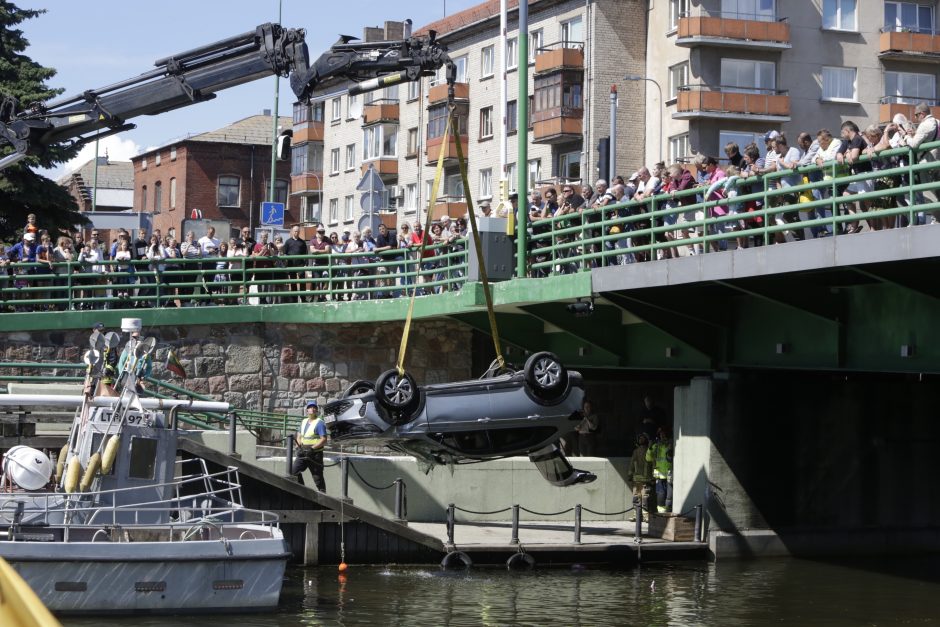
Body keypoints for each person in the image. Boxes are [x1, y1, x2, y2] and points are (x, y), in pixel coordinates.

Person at [292, 400, 327, 492]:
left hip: (315, 454)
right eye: (310, 407)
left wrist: (312, 448)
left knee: (318, 478)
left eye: (314, 407)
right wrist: (298, 446)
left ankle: (323, 497)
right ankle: (303, 491)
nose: (312, 409)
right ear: (307, 410)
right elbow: (299, 436)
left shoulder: (319, 422)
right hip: (303, 452)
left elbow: (323, 439)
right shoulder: (303, 421)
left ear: (316, 411)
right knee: (293, 472)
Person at [628, 432, 655, 521]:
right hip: (636, 479)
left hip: (646, 479)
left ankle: (646, 516)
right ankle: (636, 515)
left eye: (643, 438)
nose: (641, 440)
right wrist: (630, 475)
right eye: (640, 438)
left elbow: (653, 464)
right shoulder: (635, 451)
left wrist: (653, 477)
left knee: (645, 498)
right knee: (636, 497)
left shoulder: (649, 451)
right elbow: (632, 464)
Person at [647, 427, 674, 514]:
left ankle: (668, 512)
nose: (662, 436)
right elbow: (648, 458)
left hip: (670, 475)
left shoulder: (671, 445)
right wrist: (650, 448)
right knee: (660, 495)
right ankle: (661, 514)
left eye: (664, 434)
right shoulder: (656, 446)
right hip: (659, 475)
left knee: (669, 496)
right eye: (661, 434)